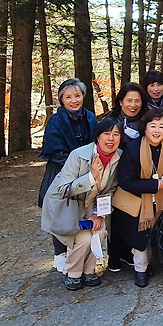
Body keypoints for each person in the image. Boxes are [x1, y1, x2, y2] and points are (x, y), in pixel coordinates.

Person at [41, 120, 123, 290]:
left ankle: (88, 270)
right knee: (83, 238)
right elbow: (63, 189)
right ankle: (73, 273)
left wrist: (99, 214)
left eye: (116, 134)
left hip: (91, 205)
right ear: (97, 137)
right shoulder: (78, 155)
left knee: (100, 231)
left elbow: (112, 190)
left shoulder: (119, 157)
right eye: (106, 134)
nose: (111, 139)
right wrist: (91, 176)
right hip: (67, 205)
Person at [113, 108, 163, 287]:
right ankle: (140, 270)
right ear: (144, 128)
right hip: (138, 202)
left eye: (161, 126)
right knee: (141, 237)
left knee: (157, 232)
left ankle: (153, 262)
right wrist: (153, 185)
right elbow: (126, 181)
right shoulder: (133, 149)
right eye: (152, 126)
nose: (157, 130)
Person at [37, 78, 98, 274]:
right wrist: (76, 165)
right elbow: (55, 150)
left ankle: (80, 253)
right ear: (61, 100)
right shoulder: (55, 121)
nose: (74, 100)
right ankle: (59, 254)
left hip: (87, 171)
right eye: (68, 97)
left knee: (82, 210)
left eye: (77, 96)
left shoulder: (90, 117)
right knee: (60, 211)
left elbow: (96, 143)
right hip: (61, 171)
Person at [105, 82, 147, 272]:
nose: (133, 105)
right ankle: (114, 255)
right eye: (129, 100)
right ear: (120, 102)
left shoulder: (146, 120)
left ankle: (128, 252)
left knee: (132, 214)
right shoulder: (111, 121)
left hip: (138, 175)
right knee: (116, 214)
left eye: (137, 101)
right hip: (114, 173)